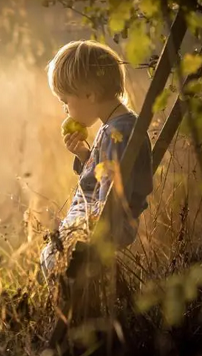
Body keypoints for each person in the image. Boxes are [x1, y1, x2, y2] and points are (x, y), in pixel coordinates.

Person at [40, 40, 153, 278]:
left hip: (102, 221)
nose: (65, 110)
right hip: (97, 216)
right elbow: (105, 173)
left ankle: (72, 312)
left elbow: (113, 189)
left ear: (89, 94)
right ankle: (76, 305)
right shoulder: (116, 127)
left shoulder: (117, 134)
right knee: (52, 254)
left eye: (66, 101)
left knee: (53, 258)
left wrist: (95, 229)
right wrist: (84, 154)